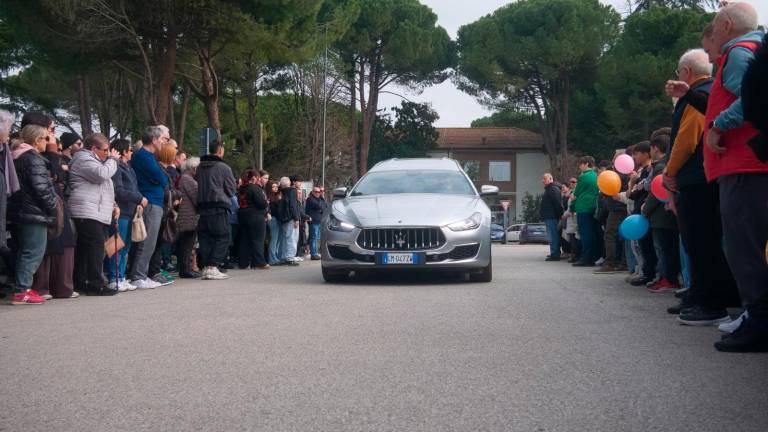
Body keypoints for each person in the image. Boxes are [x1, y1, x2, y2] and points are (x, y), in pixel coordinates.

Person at [703, 3, 768, 352]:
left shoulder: (740, 54)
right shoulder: (754, 51)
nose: (712, 39)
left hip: (744, 165)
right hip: (749, 164)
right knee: (747, 246)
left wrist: (717, 125)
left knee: (746, 248)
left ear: (726, 24)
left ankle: (759, 322)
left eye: (714, 30)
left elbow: (753, 99)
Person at [663, 48, 739, 320]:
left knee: (701, 242)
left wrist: (669, 172)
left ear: (686, 72)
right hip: (702, 176)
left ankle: (710, 299)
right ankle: (702, 293)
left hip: (696, 178)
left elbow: (687, 138)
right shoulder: (708, 91)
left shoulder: (698, 95)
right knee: (701, 242)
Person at [8, 125, 58, 304]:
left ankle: (23, 288)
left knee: (25, 251)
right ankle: (22, 290)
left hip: (22, 210)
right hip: (33, 211)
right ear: (36, 140)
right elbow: (41, 188)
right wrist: (53, 207)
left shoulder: (18, 156)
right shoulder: (33, 158)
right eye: (45, 138)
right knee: (33, 251)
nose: (48, 142)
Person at [67, 133, 119, 295]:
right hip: (86, 210)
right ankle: (96, 284)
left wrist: (113, 204)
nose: (108, 153)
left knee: (86, 248)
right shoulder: (83, 159)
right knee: (96, 245)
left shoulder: (94, 160)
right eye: (105, 150)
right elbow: (102, 175)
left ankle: (80, 282)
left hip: (93, 210)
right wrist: (113, 160)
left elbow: (104, 187)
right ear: (94, 148)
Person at [129, 125, 170, 289]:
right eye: (161, 139)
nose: (162, 142)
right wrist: (159, 179)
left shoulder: (149, 156)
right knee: (147, 241)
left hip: (155, 201)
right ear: (154, 140)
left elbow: (162, 178)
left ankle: (142, 274)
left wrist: (159, 179)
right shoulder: (143, 156)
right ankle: (138, 275)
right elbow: (161, 178)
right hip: (151, 202)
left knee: (150, 242)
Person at [105, 139, 146, 292]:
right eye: (129, 150)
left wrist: (139, 200)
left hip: (130, 211)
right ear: (122, 152)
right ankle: (113, 277)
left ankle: (121, 276)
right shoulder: (116, 167)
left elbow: (134, 188)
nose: (131, 152)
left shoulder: (129, 168)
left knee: (126, 246)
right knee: (116, 246)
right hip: (120, 212)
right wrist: (138, 198)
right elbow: (119, 191)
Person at [642, 133, 680, 293]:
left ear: (655, 148)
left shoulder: (660, 167)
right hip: (664, 215)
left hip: (661, 216)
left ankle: (668, 279)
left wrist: (645, 209)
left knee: (665, 249)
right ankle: (666, 277)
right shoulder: (663, 164)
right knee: (665, 248)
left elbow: (656, 192)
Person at [196, 141, 236, 280]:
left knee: (205, 238)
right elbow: (231, 189)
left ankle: (207, 267)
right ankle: (213, 265)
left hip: (202, 206)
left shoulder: (199, 167)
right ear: (220, 151)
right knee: (223, 236)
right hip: (219, 206)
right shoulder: (224, 167)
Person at [627, 142, 658, 286]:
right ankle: (645, 272)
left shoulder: (650, 169)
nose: (634, 156)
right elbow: (632, 195)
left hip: (646, 211)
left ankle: (649, 273)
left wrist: (636, 182)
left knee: (647, 245)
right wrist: (632, 183)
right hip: (639, 209)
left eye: (637, 153)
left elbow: (645, 189)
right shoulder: (642, 171)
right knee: (641, 244)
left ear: (646, 153)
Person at [238, 169, 270, 269]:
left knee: (244, 240)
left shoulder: (242, 188)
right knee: (258, 240)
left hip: (243, 215)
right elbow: (261, 203)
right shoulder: (255, 188)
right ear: (255, 178)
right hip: (256, 216)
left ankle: (243, 262)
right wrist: (266, 203)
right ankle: (259, 262)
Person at [570, 156, 599, 267]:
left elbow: (575, 194)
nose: (580, 166)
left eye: (581, 164)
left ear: (586, 164)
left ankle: (586, 258)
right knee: (592, 233)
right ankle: (593, 256)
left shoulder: (583, 177)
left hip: (583, 207)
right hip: (593, 206)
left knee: (584, 234)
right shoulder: (596, 175)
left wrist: (572, 206)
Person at [176, 157, 200, 278]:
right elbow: (197, 198)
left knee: (186, 244)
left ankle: (186, 268)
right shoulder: (188, 179)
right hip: (188, 216)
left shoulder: (184, 178)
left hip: (185, 215)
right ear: (194, 168)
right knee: (187, 244)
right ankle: (185, 270)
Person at [278, 176, 301, 265]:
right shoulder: (292, 191)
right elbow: (293, 205)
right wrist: (296, 218)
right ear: (291, 183)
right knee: (292, 238)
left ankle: (284, 256)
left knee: (284, 238)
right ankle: (290, 257)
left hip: (283, 218)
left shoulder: (281, 192)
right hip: (291, 218)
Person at [539, 173, 563, 261]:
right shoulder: (550, 189)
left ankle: (555, 254)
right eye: (543, 179)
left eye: (545, 179)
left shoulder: (553, 189)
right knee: (552, 236)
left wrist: (559, 215)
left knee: (553, 236)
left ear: (550, 179)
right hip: (550, 216)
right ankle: (554, 253)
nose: (543, 181)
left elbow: (557, 203)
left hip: (552, 217)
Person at [305, 185, 327, 260]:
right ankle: (313, 254)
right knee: (313, 237)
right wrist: (320, 208)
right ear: (313, 192)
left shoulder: (319, 199)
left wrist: (321, 207)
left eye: (319, 192)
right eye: (316, 192)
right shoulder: (310, 199)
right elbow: (319, 206)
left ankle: (315, 253)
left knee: (317, 237)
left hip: (318, 220)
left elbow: (325, 206)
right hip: (313, 221)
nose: (318, 193)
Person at [266, 181, 283, 265]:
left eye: (276, 186)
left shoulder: (277, 196)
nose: (275, 188)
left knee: (278, 239)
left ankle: (276, 257)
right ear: (269, 188)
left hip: (278, 219)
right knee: (274, 239)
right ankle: (272, 259)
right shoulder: (269, 197)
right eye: (273, 187)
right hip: (272, 219)